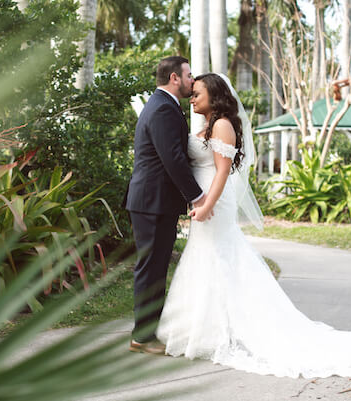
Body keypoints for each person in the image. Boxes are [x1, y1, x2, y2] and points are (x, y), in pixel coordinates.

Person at [156, 73, 351, 378]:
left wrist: (206, 204)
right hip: (205, 202)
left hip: (215, 201)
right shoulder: (207, 126)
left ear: (215, 96)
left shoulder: (222, 125)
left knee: (217, 258)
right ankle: (206, 331)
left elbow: (221, 172)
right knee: (208, 259)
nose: (192, 98)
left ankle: (221, 331)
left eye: (198, 94)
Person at [125, 56, 212, 355]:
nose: (192, 80)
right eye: (189, 76)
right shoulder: (163, 108)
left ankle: (146, 332)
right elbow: (172, 158)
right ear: (175, 78)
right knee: (151, 268)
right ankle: (143, 337)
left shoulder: (164, 106)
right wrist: (198, 196)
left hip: (155, 201)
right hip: (152, 201)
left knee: (156, 266)